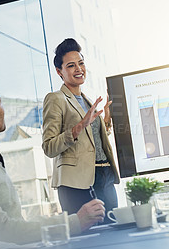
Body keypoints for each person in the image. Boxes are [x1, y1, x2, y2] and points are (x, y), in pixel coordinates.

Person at [0, 81, 105, 245]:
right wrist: (74, 223)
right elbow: (0, 229)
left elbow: (13, 222)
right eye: (0, 104)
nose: (4, 111)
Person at [42, 38, 120, 222]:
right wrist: (80, 126)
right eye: (71, 65)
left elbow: (90, 142)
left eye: (81, 63)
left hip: (104, 175)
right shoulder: (56, 99)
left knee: (113, 231)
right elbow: (49, 147)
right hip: (76, 184)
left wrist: (106, 121)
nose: (79, 69)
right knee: (89, 240)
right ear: (59, 72)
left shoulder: (86, 101)